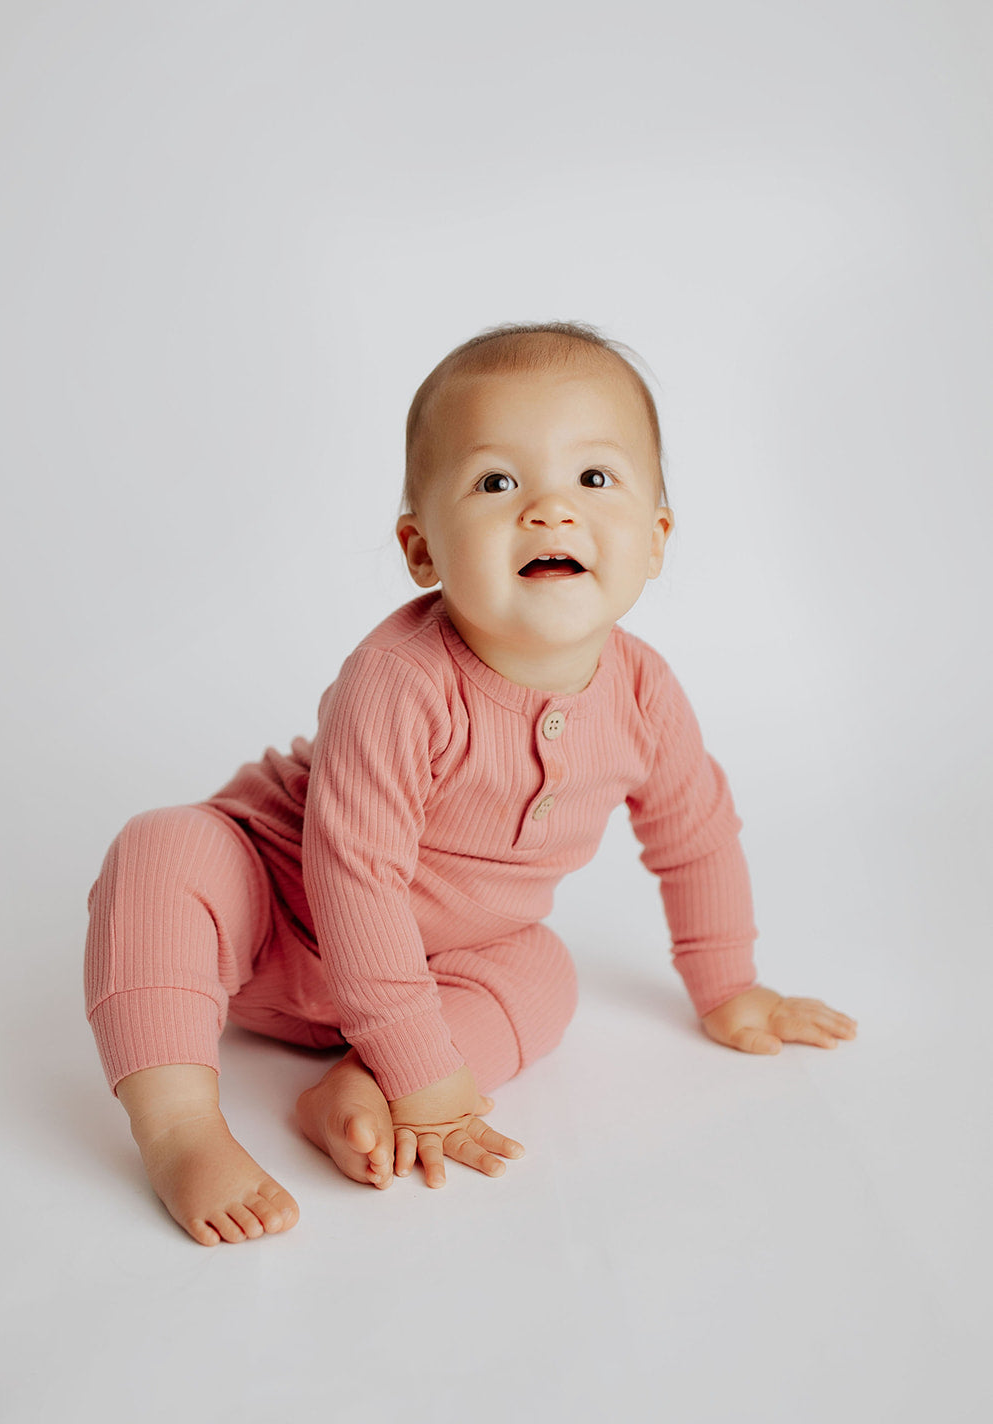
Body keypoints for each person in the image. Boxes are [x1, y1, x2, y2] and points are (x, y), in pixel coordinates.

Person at [84, 320, 858, 1247]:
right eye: (497, 482)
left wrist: (729, 986)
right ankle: (178, 1126)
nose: (549, 510)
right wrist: (430, 1076)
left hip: (448, 954)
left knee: (545, 973)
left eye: (594, 479)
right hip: (276, 917)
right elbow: (353, 877)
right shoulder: (401, 678)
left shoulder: (644, 689)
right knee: (165, 848)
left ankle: (354, 1091)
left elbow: (694, 835)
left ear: (654, 539)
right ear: (421, 550)